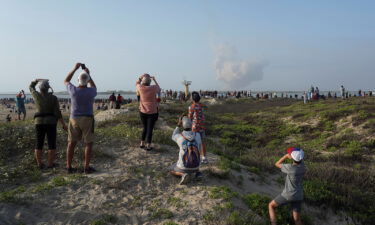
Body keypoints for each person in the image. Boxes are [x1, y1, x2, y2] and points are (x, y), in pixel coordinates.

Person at [64, 63, 97, 174]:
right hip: (87, 119)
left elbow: (66, 80)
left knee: (71, 143)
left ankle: (68, 166)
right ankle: (86, 167)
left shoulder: (73, 90)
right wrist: (88, 74)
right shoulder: (91, 92)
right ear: (87, 81)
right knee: (88, 143)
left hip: (74, 118)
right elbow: (93, 86)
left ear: (77, 80)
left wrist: (74, 69)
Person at [30, 79, 67, 169]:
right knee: (51, 143)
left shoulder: (36, 95)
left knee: (39, 143)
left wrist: (36, 80)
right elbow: (57, 113)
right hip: (51, 122)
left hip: (38, 122)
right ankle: (50, 164)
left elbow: (31, 87)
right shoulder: (53, 98)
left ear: (40, 88)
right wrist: (63, 124)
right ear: (48, 88)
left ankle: (39, 164)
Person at [269, 148, 305, 225]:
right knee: (297, 220)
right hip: (299, 195)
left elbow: (277, 164)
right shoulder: (302, 166)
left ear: (292, 157)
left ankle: (273, 223)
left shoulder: (290, 168)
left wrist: (285, 156)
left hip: (288, 195)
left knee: (271, 206)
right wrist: (294, 156)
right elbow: (299, 159)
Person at [170, 115, 202, 185]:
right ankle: (198, 173)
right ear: (191, 125)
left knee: (171, 169)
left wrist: (178, 125)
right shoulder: (198, 135)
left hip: (184, 166)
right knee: (196, 160)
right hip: (196, 165)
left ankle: (182, 174)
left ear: (182, 125)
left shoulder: (179, 137)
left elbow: (173, 135)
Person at [136, 74, 160, 151]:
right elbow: (159, 88)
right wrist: (154, 80)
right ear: (150, 82)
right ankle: (148, 145)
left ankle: (142, 143)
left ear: (143, 82)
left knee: (145, 128)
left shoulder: (140, 87)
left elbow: (136, 83)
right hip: (152, 111)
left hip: (142, 111)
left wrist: (141, 77)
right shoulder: (153, 88)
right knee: (150, 129)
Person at [188, 91, 208, 164]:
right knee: (203, 142)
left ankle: (195, 157)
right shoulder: (202, 105)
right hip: (202, 125)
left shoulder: (192, 106)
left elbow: (189, 117)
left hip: (195, 127)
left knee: (194, 142)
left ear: (193, 99)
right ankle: (204, 157)